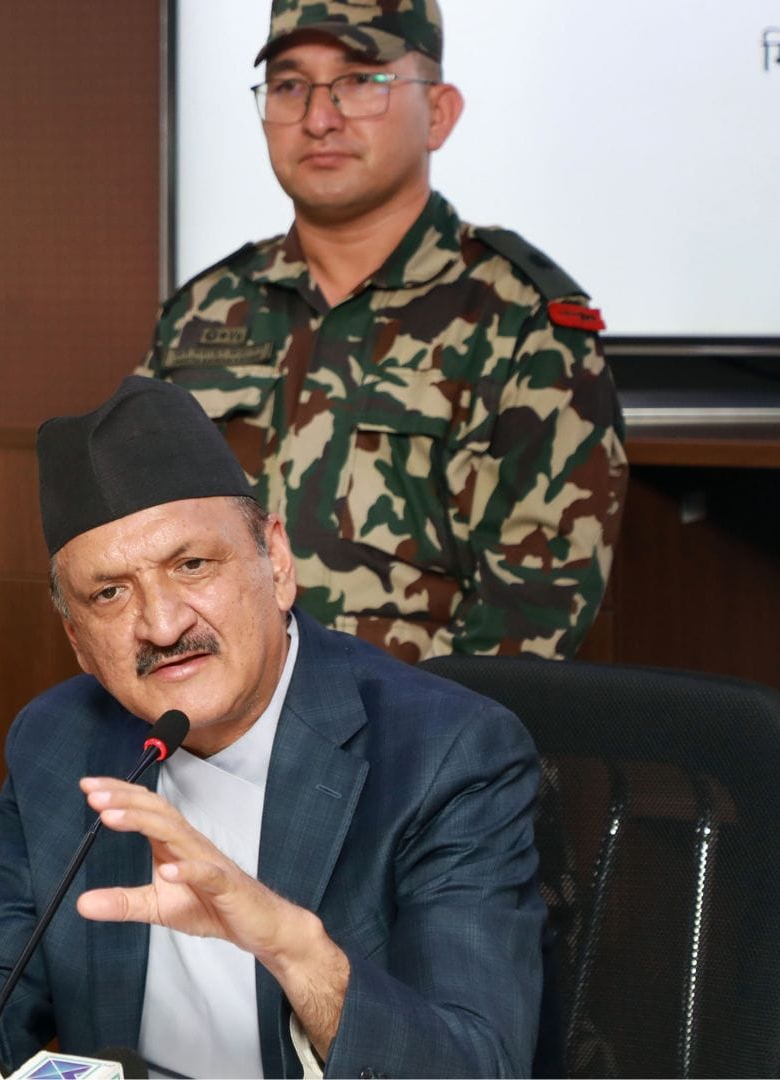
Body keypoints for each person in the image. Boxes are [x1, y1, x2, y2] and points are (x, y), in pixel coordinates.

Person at [0, 377, 543, 1077]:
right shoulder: (58, 742)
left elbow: (477, 1067)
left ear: (276, 561)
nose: (162, 625)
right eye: (109, 593)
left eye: (192, 565)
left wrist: (296, 951)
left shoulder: (445, 753)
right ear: (77, 641)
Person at [142, 0, 626, 662]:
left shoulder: (525, 321)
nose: (319, 118)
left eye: (361, 81)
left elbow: (533, 610)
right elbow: (131, 539)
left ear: (439, 113)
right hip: (210, 707)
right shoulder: (204, 311)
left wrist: (396, 728)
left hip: (422, 718)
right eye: (289, 86)